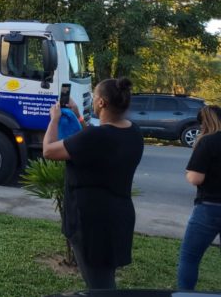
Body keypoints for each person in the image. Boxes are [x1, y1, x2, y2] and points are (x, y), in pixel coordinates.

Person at [43, 77, 143, 290]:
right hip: (118, 216)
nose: (94, 100)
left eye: (95, 96)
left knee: (99, 285)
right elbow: (95, 140)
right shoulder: (134, 132)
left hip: (91, 222)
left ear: (101, 103)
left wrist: (54, 119)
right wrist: (79, 115)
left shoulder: (95, 137)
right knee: (105, 277)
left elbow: (49, 150)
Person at [177, 105, 221, 290]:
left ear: (204, 123)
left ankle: (186, 294)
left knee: (190, 257)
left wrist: (188, 173)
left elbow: (196, 178)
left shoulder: (208, 142)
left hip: (209, 208)